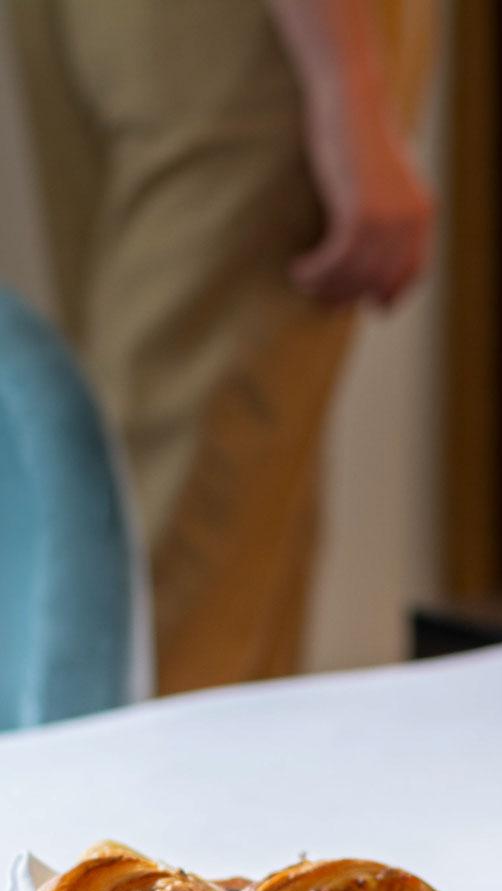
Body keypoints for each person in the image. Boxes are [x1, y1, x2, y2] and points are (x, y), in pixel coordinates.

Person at [10, 0, 435, 693]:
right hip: (248, 43)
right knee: (181, 553)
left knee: (117, 477)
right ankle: (136, 800)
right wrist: (346, 79)